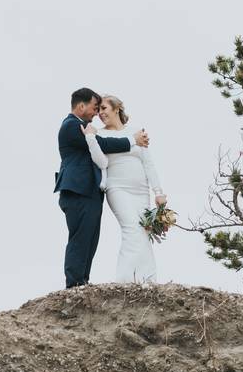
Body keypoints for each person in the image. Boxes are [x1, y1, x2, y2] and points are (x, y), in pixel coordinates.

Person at [54, 88, 149, 288]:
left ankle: (82, 281)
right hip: (77, 190)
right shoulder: (72, 126)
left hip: (89, 192)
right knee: (80, 238)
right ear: (81, 106)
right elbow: (103, 144)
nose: (96, 113)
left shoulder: (83, 126)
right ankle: (74, 285)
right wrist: (133, 140)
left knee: (90, 239)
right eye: (94, 108)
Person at [82, 94, 166, 284]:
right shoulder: (101, 134)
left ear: (116, 108)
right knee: (131, 228)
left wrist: (158, 192)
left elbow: (149, 164)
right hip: (117, 188)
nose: (100, 114)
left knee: (144, 230)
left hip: (141, 190)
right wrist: (91, 137)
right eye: (98, 110)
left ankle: (148, 279)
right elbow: (100, 160)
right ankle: (124, 280)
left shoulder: (136, 131)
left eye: (104, 108)